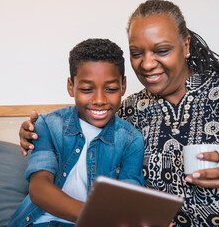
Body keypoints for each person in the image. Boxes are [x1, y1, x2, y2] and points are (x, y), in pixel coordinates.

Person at [19, 0, 219, 227]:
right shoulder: (128, 112)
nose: (147, 64)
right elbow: (73, 132)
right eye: (136, 54)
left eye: (161, 50)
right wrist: (31, 132)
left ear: (185, 44)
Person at [9, 38, 144, 227]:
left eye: (111, 89)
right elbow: (39, 189)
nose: (99, 100)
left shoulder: (131, 140)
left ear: (123, 86)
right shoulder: (48, 124)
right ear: (71, 87)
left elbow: (130, 197)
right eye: (87, 89)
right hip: (41, 222)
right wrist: (98, 217)